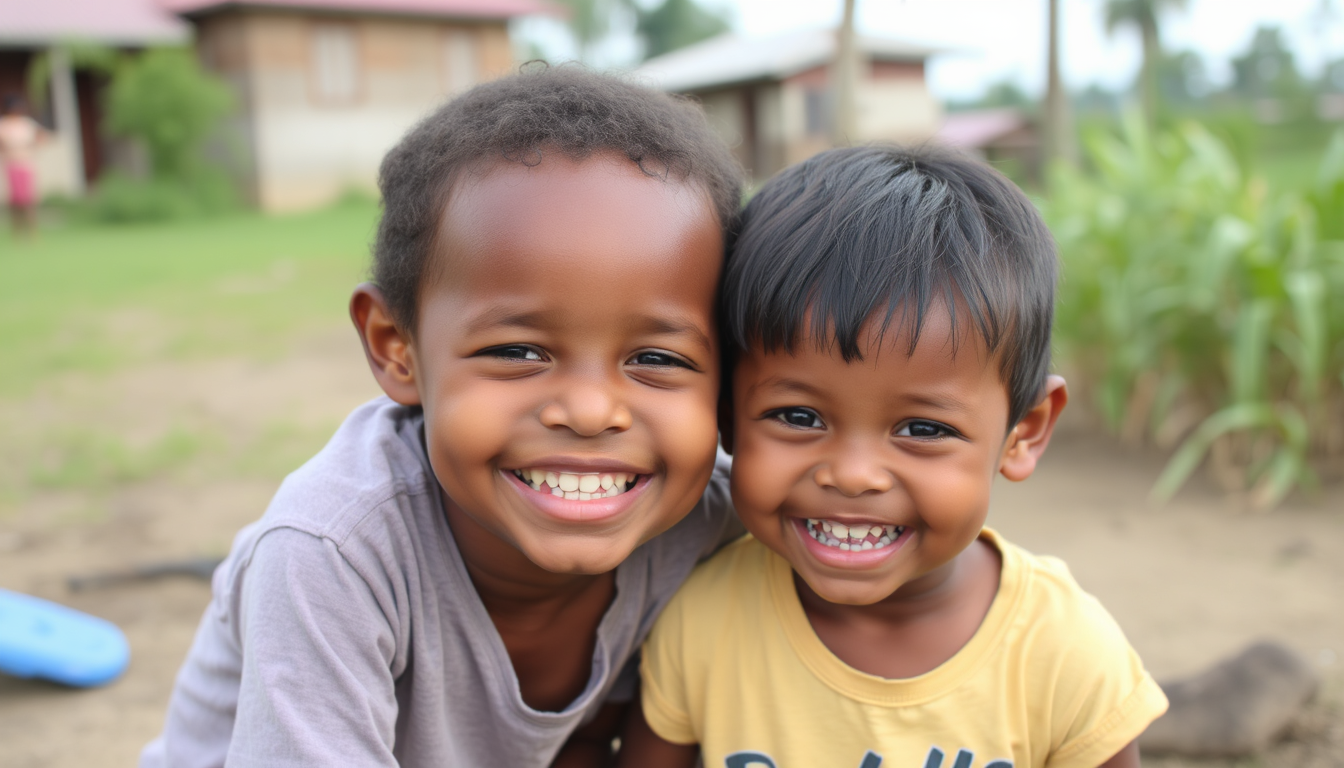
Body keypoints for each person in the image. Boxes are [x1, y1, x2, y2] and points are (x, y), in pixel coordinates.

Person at [141, 66, 745, 768]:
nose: (588, 411)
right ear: (397, 349)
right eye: (518, 351)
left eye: (657, 359)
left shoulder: (712, 523)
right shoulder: (333, 552)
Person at [618, 145, 1169, 768]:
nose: (853, 475)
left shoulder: (1065, 654)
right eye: (798, 417)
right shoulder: (703, 623)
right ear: (726, 416)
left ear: (1025, 431)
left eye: (922, 429)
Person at [0, 94, 46, 239]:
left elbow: (41, 137)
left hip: (26, 164)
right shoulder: (4, 124)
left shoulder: (26, 124)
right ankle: (17, 233)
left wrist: (31, 146)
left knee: (29, 200)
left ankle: (33, 233)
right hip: (12, 164)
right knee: (16, 201)